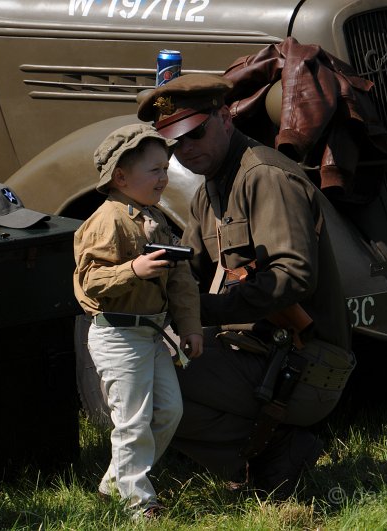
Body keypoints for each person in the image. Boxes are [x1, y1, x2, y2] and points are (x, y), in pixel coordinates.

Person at [136, 74, 356, 498]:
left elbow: (292, 277)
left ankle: (278, 450)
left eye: (195, 133)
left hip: (305, 361)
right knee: (133, 365)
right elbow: (188, 270)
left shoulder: (266, 178)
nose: (186, 150)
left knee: (149, 385)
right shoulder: (212, 187)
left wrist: (204, 312)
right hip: (256, 350)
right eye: (175, 143)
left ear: (224, 117)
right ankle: (252, 445)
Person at [73, 123, 204, 518]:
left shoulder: (154, 217)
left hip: (149, 333)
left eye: (166, 168)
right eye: (155, 170)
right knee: (131, 422)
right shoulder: (107, 221)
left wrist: (191, 326)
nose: (164, 178)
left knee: (168, 411)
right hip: (117, 335)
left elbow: (180, 278)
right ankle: (137, 503)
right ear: (121, 177)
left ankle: (117, 481)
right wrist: (134, 269)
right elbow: (88, 283)